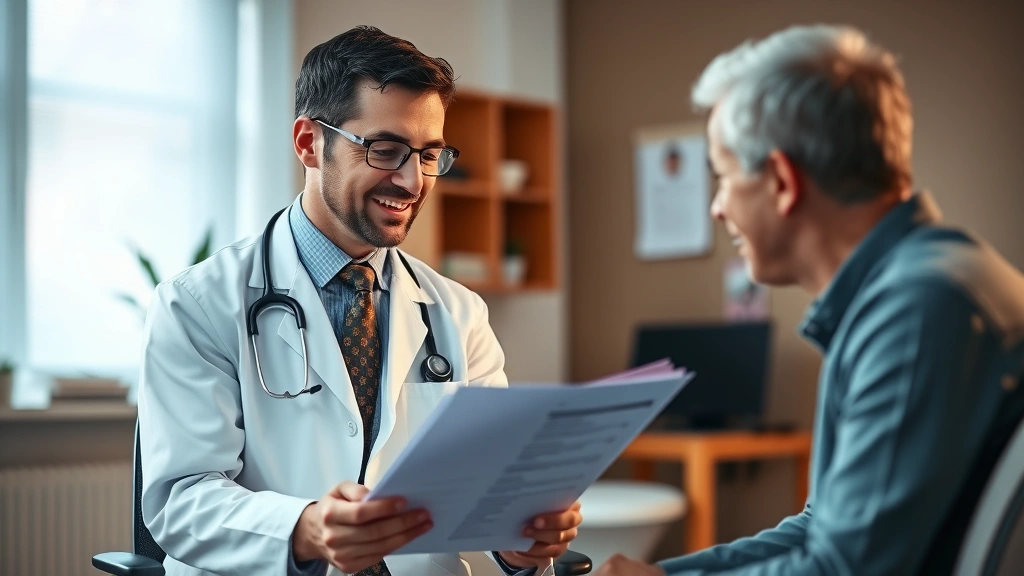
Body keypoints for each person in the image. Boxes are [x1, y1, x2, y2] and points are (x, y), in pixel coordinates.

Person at [139, 26, 581, 576]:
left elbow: (491, 488)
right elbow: (180, 501)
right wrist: (305, 529)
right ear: (308, 143)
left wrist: (518, 542)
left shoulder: (459, 314)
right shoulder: (197, 305)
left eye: (428, 156)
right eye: (386, 150)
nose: (411, 181)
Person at [595, 24, 1024, 575]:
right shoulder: (925, 286)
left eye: (722, 179)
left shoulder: (917, 312)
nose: (718, 209)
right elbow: (825, 530)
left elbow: (846, 569)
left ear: (780, 180)